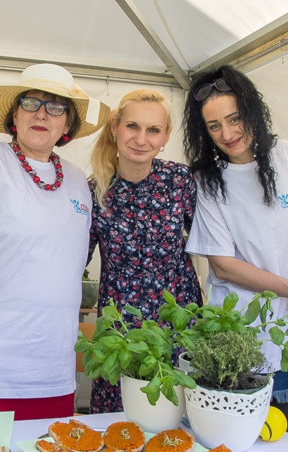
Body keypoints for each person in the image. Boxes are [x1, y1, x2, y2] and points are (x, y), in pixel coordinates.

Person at [183, 64, 288, 442]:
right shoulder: (209, 180)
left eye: (234, 118)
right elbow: (224, 267)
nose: (227, 133)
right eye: (214, 126)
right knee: (236, 444)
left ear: (251, 110)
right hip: (238, 331)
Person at [0, 63, 109, 420]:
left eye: (56, 107)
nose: (42, 115)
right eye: (31, 103)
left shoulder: (80, 181)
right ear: (14, 114)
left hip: (54, 372)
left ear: (67, 124)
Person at [86, 88, 203, 413]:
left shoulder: (179, 181)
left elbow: (211, 243)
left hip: (177, 326)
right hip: (121, 334)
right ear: (115, 128)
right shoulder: (96, 190)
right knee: (119, 430)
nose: (141, 138)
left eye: (153, 130)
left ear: (165, 136)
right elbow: (74, 261)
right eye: (132, 126)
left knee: (175, 428)